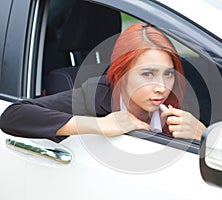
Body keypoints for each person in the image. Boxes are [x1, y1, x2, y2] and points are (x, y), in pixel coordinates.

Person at [0, 23, 206, 142]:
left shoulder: (174, 100)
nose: (161, 87)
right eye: (147, 74)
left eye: (168, 74)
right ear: (121, 73)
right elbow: (13, 115)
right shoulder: (96, 95)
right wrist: (99, 124)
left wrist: (202, 135)